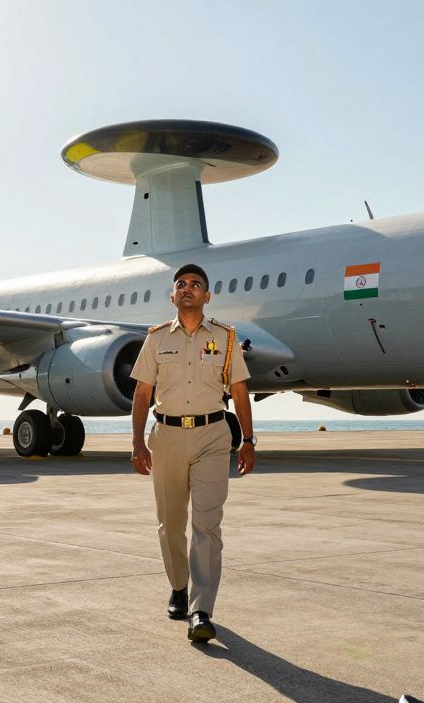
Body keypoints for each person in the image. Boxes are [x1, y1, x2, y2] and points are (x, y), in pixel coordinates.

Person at [129, 263, 254, 643]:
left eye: (195, 284)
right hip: (165, 437)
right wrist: (137, 441)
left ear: (206, 295)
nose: (187, 289)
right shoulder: (155, 339)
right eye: (180, 284)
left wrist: (248, 440)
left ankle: (202, 609)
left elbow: (240, 391)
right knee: (170, 524)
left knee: (207, 524)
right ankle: (179, 587)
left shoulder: (226, 338)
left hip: (212, 436)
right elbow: (142, 394)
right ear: (172, 295)